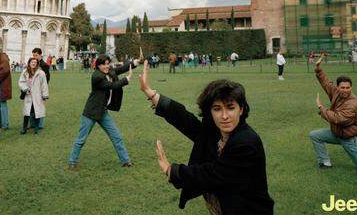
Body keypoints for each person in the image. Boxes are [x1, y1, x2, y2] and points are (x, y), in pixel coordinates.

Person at [138, 60, 274, 213]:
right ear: (210, 111)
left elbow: (211, 174)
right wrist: (151, 93)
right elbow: (187, 122)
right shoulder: (216, 132)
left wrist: (172, 170)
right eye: (217, 109)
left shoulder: (246, 142)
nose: (224, 116)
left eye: (230, 108)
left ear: (241, 109)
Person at [309, 55, 357, 173]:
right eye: (342, 87)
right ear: (338, 88)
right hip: (337, 133)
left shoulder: (353, 103)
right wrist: (318, 68)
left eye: (348, 88)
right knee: (314, 135)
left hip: (350, 139)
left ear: (351, 87)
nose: (345, 90)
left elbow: (338, 119)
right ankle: (325, 163)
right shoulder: (336, 93)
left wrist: (321, 107)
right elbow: (326, 83)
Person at [68, 52, 141, 169]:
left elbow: (119, 69)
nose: (106, 66)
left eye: (108, 64)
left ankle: (126, 161)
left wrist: (133, 63)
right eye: (103, 64)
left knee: (116, 136)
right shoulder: (97, 76)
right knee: (81, 139)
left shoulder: (108, 71)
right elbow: (111, 86)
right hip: (91, 112)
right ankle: (72, 162)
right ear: (98, 66)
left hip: (103, 112)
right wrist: (126, 80)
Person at [19, 58, 49, 134]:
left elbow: (44, 84)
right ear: (29, 63)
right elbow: (21, 82)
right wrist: (25, 89)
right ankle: (24, 128)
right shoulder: (25, 72)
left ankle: (36, 128)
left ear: (37, 64)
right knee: (27, 112)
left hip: (37, 95)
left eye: (35, 62)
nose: (33, 63)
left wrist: (45, 95)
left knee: (37, 111)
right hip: (28, 95)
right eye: (32, 62)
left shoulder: (41, 73)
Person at [31, 48, 51, 129]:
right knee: (31, 106)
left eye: (36, 55)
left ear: (40, 55)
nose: (34, 57)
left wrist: (43, 90)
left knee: (40, 106)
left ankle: (40, 124)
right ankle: (32, 123)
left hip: (40, 89)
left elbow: (47, 79)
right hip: (32, 88)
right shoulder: (32, 63)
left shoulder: (44, 65)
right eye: (33, 55)